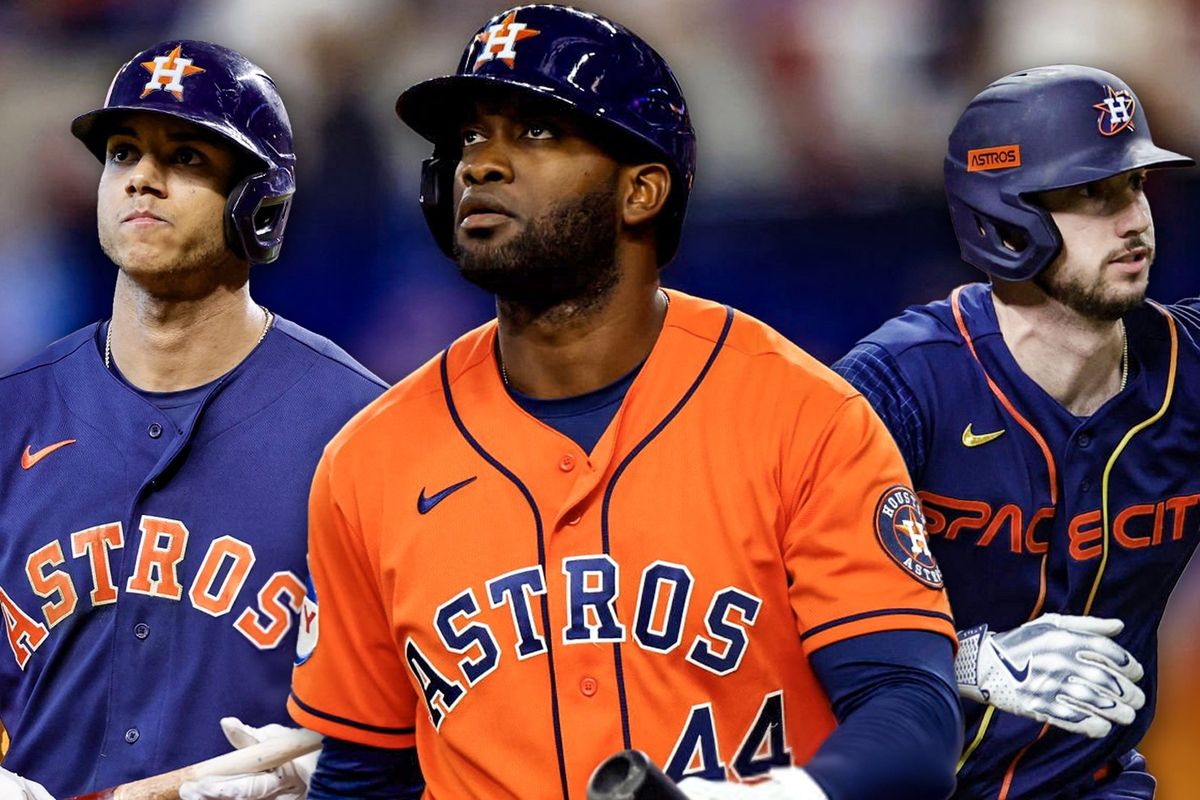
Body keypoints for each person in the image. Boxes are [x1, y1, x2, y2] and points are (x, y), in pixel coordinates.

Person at [288, 6, 962, 800]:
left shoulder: (807, 420)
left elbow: (912, 712)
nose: (481, 165)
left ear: (642, 190)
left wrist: (789, 798)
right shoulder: (368, 461)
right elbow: (366, 771)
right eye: (471, 137)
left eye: (534, 132)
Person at [0, 41, 385, 799]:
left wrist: (345, 773)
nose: (142, 176)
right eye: (121, 153)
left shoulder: (362, 428)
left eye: (185, 156)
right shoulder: (12, 410)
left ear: (259, 203)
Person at [834, 65, 1198, 799]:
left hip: (1091, 784)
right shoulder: (899, 385)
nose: (1134, 219)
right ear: (1005, 221)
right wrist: (967, 662)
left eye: (1135, 186)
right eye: (1093, 193)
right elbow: (759, 606)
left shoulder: (1189, 367)